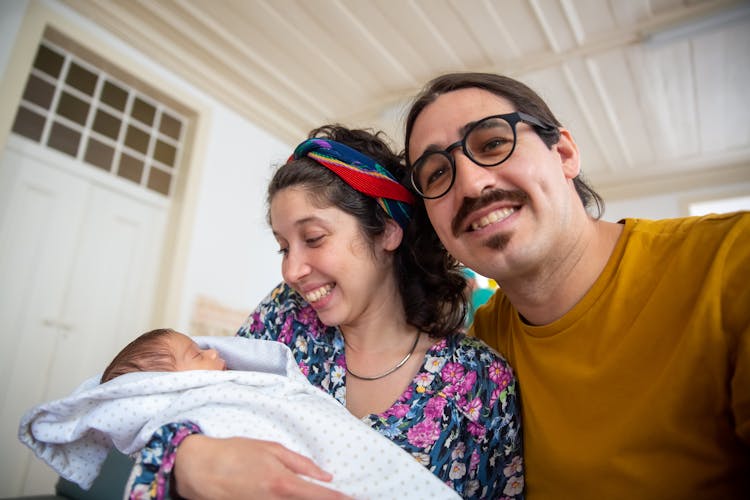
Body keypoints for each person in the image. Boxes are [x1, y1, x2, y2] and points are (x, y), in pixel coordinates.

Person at [126, 126, 525, 499]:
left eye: (313, 238)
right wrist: (188, 457)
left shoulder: (479, 384)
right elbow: (195, 408)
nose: (290, 270)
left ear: (387, 230)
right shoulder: (284, 318)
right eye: (284, 247)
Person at [402, 71, 750, 498]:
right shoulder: (478, 355)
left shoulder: (732, 261)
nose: (472, 183)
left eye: (492, 143)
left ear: (564, 153)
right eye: (437, 174)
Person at [21, 330, 457, 499]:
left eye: (313, 238)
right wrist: (186, 454)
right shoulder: (187, 406)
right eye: (197, 353)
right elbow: (174, 438)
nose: (214, 351)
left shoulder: (470, 373)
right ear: (166, 384)